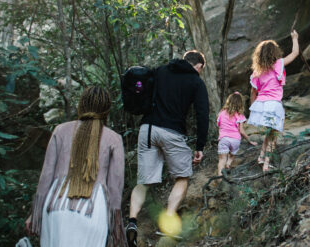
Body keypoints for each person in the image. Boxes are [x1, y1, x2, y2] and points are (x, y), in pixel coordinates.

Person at [25, 86, 128, 247]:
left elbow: (46, 176)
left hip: (56, 208)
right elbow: (115, 189)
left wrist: (35, 215)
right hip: (93, 210)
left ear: (81, 105)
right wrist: (116, 228)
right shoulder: (114, 139)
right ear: (106, 110)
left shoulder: (60, 130)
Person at [126, 50, 210, 246]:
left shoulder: (160, 71)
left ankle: (132, 221)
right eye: (201, 70)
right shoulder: (196, 82)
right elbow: (202, 114)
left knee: (143, 182)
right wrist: (200, 145)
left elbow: (142, 90)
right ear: (198, 66)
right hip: (172, 132)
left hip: (147, 129)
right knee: (182, 177)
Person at [248, 30, 299, 171]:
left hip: (261, 104)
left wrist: (253, 108)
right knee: (274, 135)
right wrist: (295, 38)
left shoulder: (257, 72)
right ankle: (266, 164)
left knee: (269, 133)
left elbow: (253, 92)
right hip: (273, 105)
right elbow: (294, 54)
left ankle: (261, 157)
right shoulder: (278, 64)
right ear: (274, 52)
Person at [217, 92, 257, 177]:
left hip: (224, 139)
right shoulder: (240, 115)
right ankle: (229, 164)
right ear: (240, 104)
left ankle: (220, 179)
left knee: (221, 160)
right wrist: (249, 140)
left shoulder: (221, 113)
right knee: (232, 155)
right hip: (235, 140)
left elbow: (219, 125)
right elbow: (241, 131)